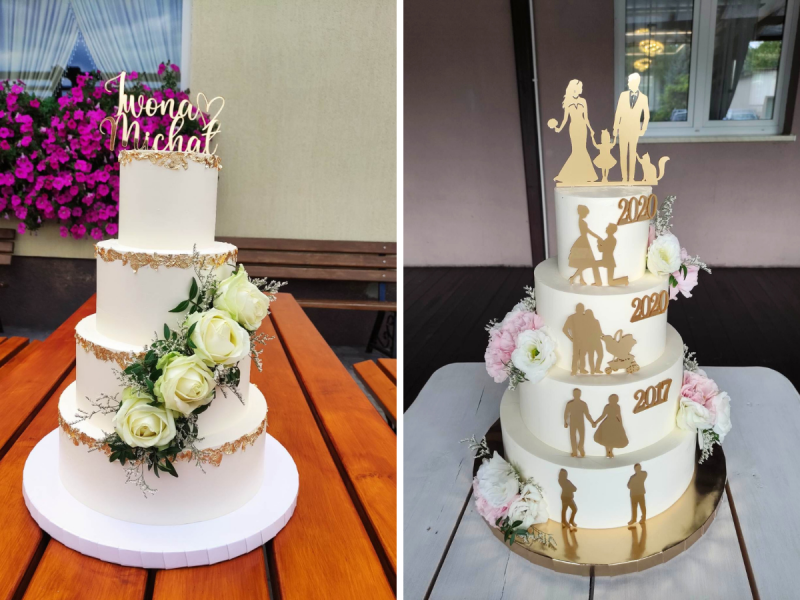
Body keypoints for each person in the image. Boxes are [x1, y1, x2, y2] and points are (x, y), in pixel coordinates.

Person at [551, 80, 598, 185]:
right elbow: (565, 119)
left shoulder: (583, 101)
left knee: (582, 149)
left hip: (582, 127)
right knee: (576, 150)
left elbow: (586, 118)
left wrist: (591, 129)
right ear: (574, 88)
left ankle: (585, 175)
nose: (581, 89)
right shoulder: (568, 101)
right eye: (580, 87)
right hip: (573, 128)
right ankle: (567, 175)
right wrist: (559, 128)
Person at [613, 73, 650, 183]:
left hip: (634, 130)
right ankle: (624, 178)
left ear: (636, 82)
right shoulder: (623, 95)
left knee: (633, 153)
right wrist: (615, 128)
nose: (628, 83)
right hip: (623, 129)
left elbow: (646, 115)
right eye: (628, 81)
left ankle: (631, 178)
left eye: (629, 81)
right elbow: (618, 112)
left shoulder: (643, 98)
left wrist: (643, 129)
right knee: (623, 154)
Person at [568, 205, 602, 286]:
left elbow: (588, 231)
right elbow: (589, 231)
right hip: (583, 242)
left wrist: (598, 237)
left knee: (582, 262)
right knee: (586, 263)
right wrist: (598, 237)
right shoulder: (582, 222)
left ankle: (581, 279)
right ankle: (573, 277)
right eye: (586, 213)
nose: (586, 215)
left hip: (583, 241)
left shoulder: (580, 221)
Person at [564, 388, 595, 457]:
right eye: (576, 394)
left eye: (577, 394)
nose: (576, 395)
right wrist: (565, 422)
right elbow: (566, 413)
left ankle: (578, 448)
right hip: (576, 422)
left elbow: (587, 415)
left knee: (577, 436)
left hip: (577, 422)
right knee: (578, 436)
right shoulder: (579, 404)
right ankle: (576, 450)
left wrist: (592, 422)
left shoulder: (581, 404)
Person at [563, 303, 588, 375]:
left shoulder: (585, 317)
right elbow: (564, 329)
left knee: (582, 355)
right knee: (576, 355)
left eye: (581, 309)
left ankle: (581, 369)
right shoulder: (571, 318)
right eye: (580, 308)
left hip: (584, 340)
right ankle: (574, 370)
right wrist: (571, 338)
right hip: (576, 340)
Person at [583, 309, 604, 374]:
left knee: (594, 356)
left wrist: (603, 336)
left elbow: (599, 331)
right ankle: (594, 369)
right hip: (593, 341)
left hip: (594, 341)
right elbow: (599, 332)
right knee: (595, 355)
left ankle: (595, 369)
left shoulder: (595, 321)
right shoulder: (586, 323)